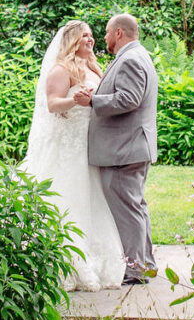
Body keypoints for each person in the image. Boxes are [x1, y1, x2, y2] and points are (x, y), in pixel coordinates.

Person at [22, 20, 125, 290]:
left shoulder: (93, 67)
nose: (90, 40)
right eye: (84, 36)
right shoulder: (61, 69)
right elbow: (52, 104)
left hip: (90, 145)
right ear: (71, 41)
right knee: (70, 198)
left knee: (92, 200)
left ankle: (97, 258)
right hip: (69, 145)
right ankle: (67, 262)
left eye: (92, 35)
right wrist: (74, 100)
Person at [84, 14, 158, 286]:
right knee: (135, 207)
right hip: (131, 146)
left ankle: (137, 269)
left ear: (118, 33)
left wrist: (93, 101)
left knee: (128, 210)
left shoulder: (130, 59)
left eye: (105, 33)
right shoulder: (138, 55)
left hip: (124, 148)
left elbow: (129, 99)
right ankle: (145, 264)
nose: (103, 38)